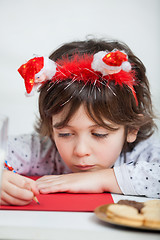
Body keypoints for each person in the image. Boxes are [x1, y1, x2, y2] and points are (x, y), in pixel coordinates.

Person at [1, 38, 160, 206]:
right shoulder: (43, 149)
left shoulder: (145, 153)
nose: (81, 151)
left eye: (99, 134)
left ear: (132, 129)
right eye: (65, 134)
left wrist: (102, 179)